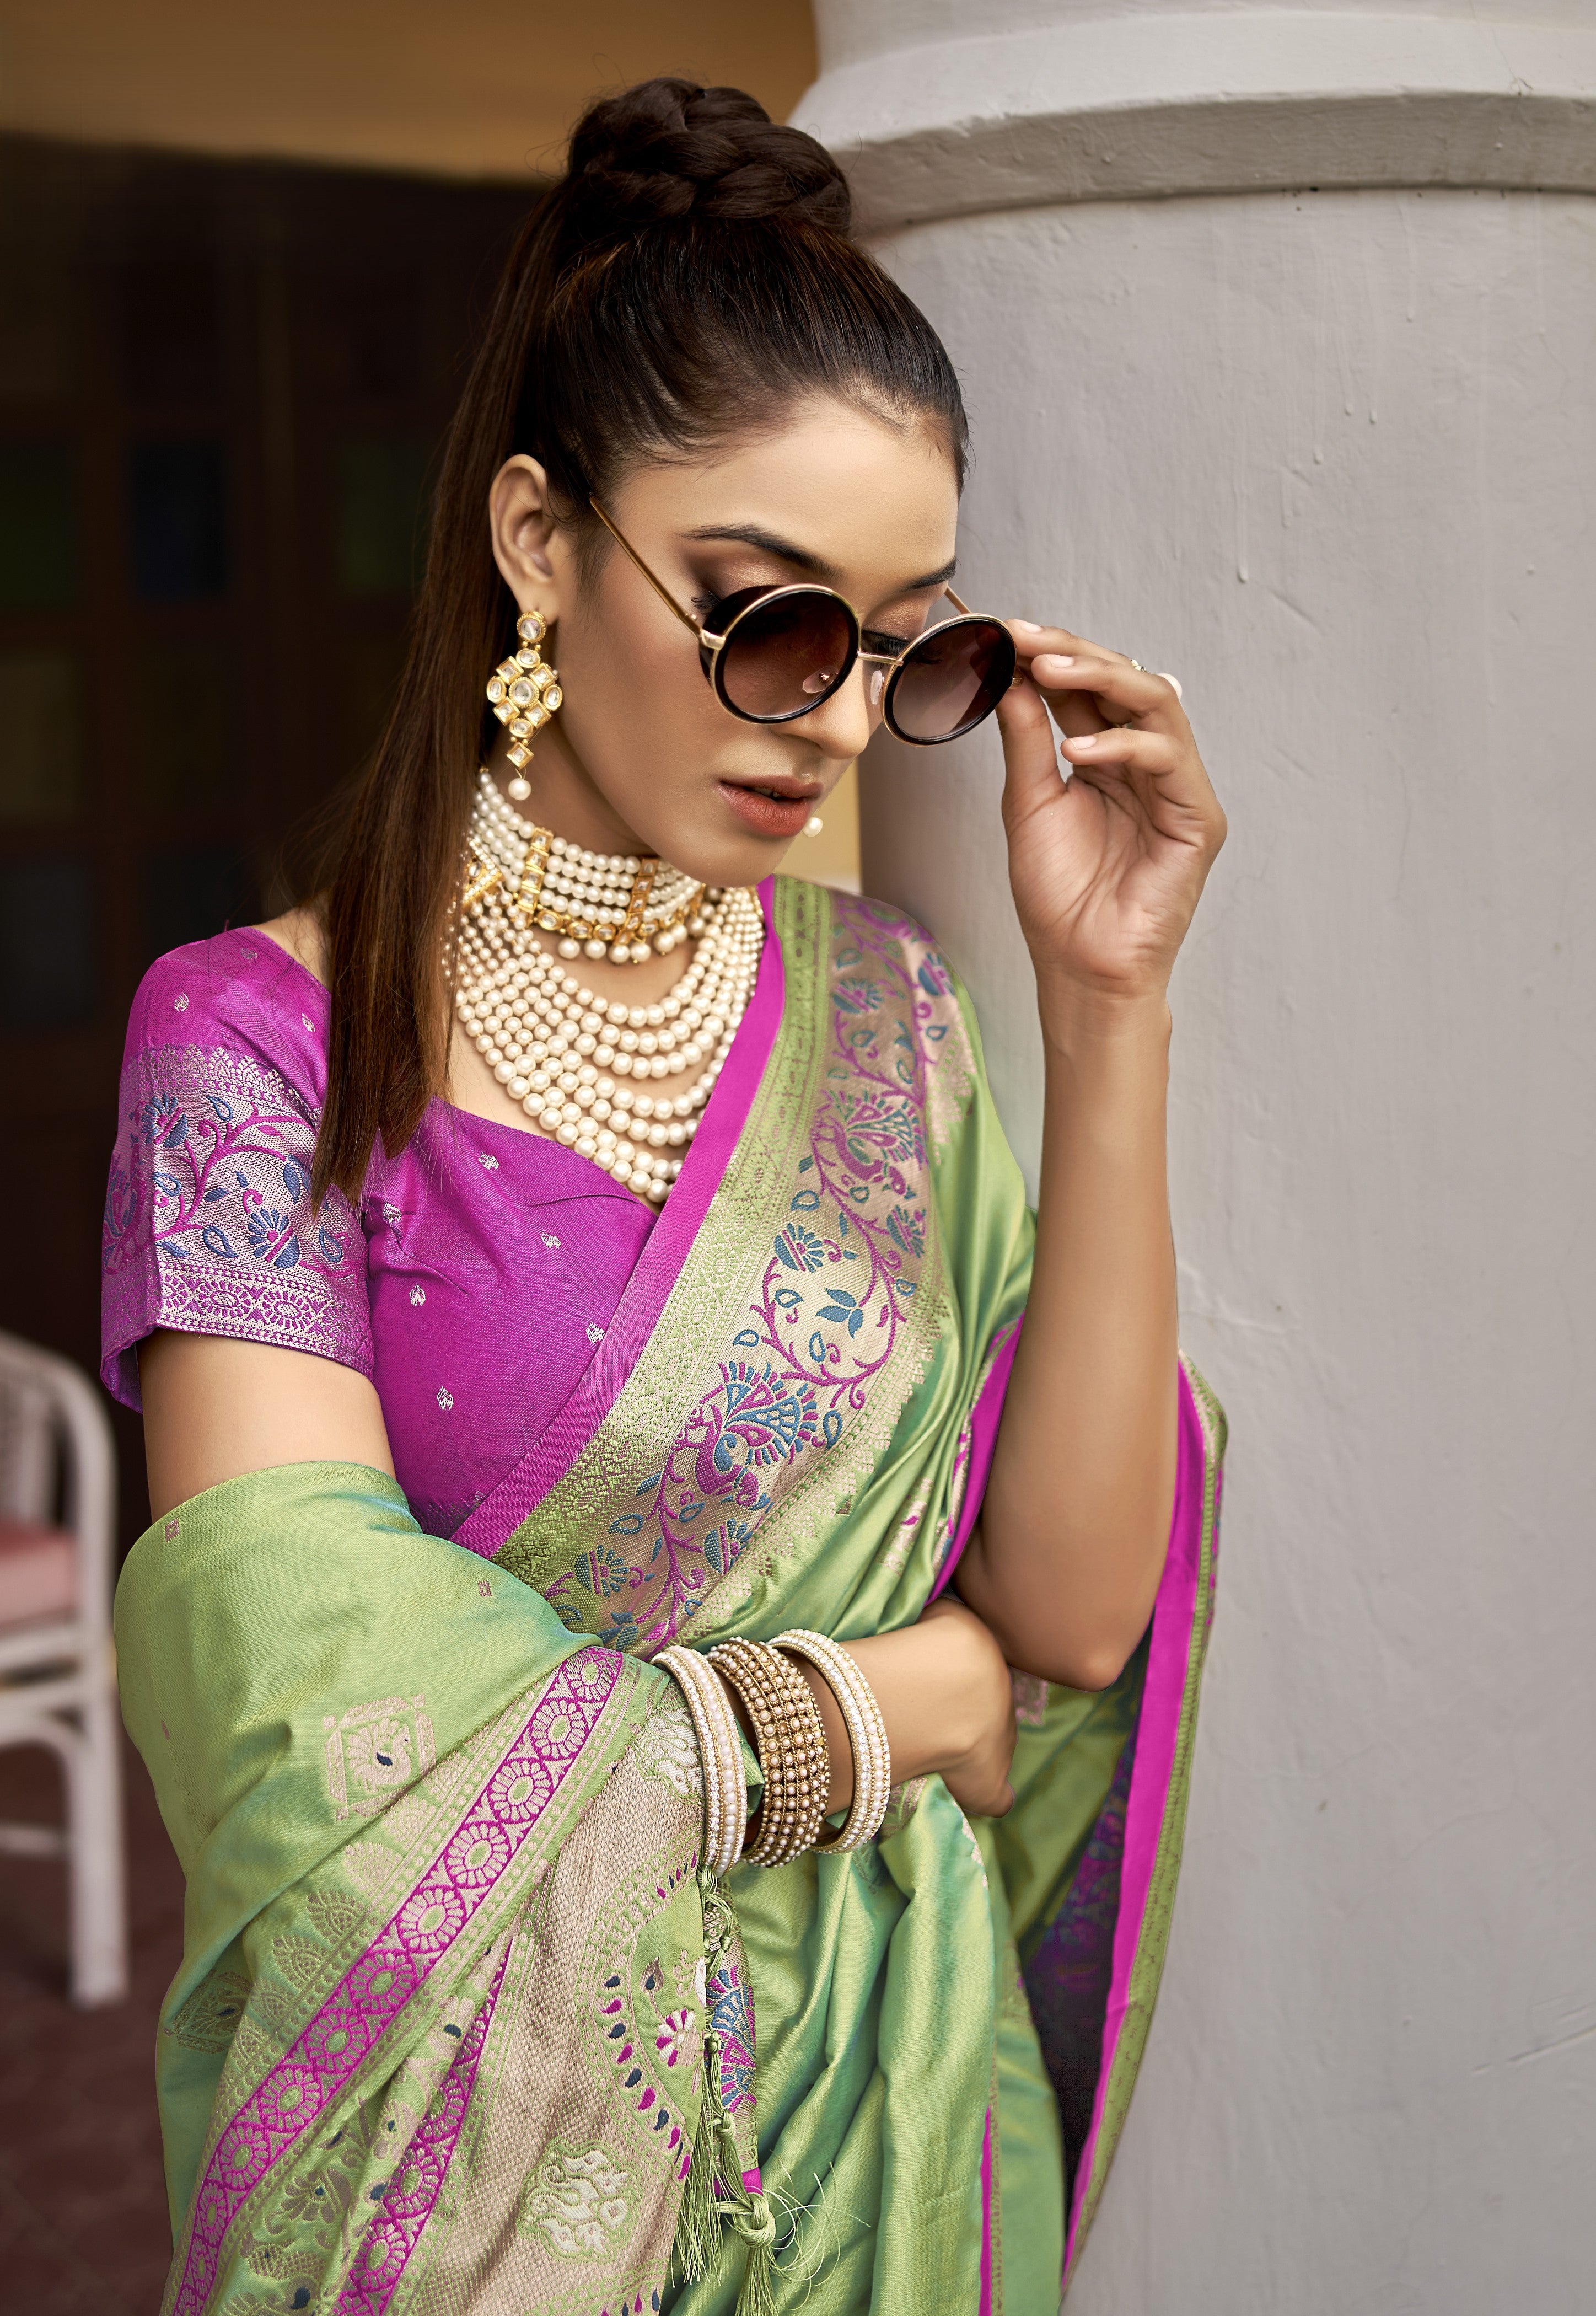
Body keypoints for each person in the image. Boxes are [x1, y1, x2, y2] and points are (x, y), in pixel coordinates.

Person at [103, 78, 1227, 2316]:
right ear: (539, 540)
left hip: (881, 2141)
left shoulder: (891, 1017)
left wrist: (1106, 1004)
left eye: (903, 643)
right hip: (476, 2171)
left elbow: (1072, 1620)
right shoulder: (257, 1044)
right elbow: (305, 1727)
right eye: (762, 615)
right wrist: (869, 1716)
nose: (837, 718)